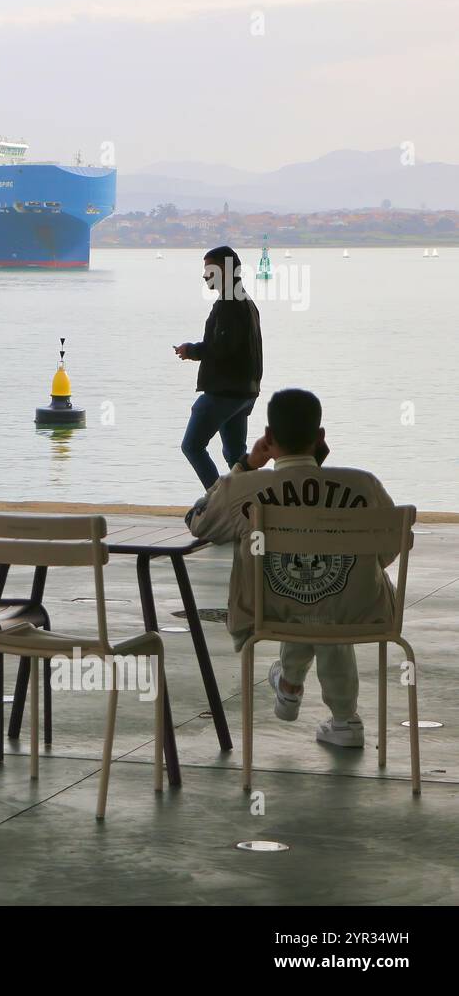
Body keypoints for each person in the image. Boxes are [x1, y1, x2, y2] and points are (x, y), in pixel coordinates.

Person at [186, 388, 398, 748]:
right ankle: (340, 714)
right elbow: (388, 551)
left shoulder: (243, 488)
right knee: (332, 598)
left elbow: (197, 521)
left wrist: (246, 465)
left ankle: (290, 681)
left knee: (302, 602)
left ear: (268, 438)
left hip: (267, 611)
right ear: (320, 438)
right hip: (359, 611)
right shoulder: (364, 485)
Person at [175, 245, 263, 489]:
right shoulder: (245, 301)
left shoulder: (229, 304)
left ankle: (219, 500)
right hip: (245, 392)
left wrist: (191, 350)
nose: (205, 276)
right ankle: (252, 502)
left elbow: (222, 348)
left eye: (209, 269)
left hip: (225, 392)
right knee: (236, 455)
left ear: (224, 269)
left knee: (192, 446)